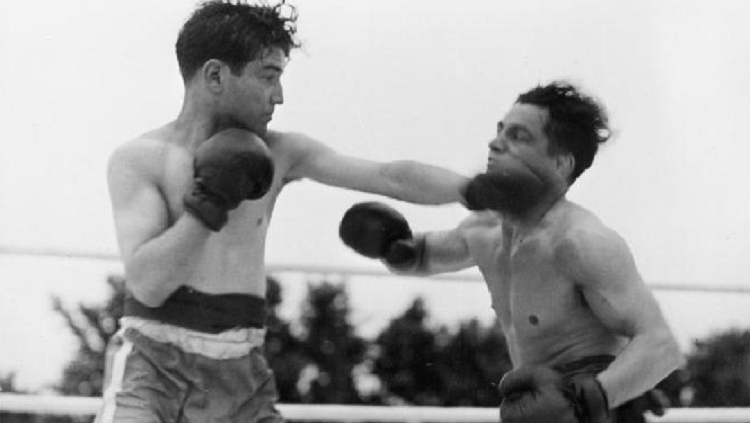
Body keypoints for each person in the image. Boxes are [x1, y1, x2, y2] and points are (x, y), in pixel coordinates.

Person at [100, 2, 471, 422]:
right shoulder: (139, 160)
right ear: (216, 75)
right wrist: (209, 202)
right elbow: (147, 285)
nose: (279, 96)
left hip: (241, 368)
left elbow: (389, 177)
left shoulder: (282, 152)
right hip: (153, 366)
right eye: (269, 76)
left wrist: (474, 190)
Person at [339, 81, 684, 423]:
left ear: (561, 163)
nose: (495, 143)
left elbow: (661, 345)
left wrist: (597, 396)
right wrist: (391, 247)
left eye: (518, 136)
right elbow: (422, 256)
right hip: (535, 408)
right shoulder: (484, 230)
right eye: (500, 130)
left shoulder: (579, 242)